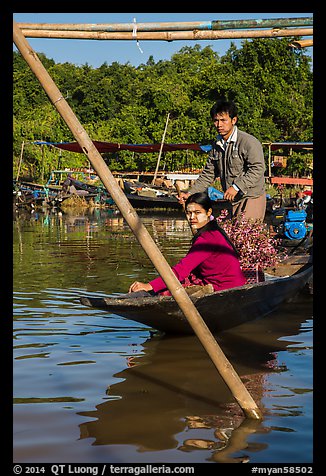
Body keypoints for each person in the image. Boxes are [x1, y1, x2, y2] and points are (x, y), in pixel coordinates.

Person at [128, 192, 246, 296]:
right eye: (189, 213)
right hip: (232, 285)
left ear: (208, 212)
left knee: (165, 292)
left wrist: (149, 286)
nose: (192, 217)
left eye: (197, 212)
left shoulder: (208, 239)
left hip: (225, 290)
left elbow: (181, 270)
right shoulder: (213, 231)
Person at [179, 99, 266, 221]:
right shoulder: (217, 145)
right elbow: (208, 174)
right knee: (229, 236)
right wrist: (190, 194)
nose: (219, 125)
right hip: (231, 199)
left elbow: (258, 169)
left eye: (223, 120)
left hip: (251, 196)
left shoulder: (248, 142)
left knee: (245, 235)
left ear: (233, 120)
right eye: (216, 120)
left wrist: (236, 187)